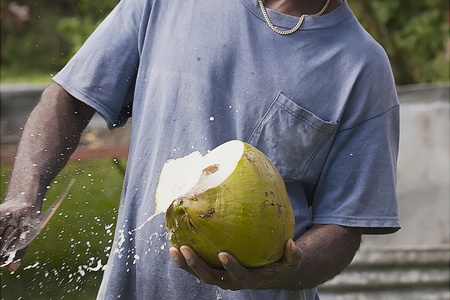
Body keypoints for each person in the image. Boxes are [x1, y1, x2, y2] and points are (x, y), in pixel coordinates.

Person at [0, 0, 401, 299]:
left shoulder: (360, 67)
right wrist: (23, 195)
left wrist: (280, 272)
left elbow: (344, 227)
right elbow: (70, 98)